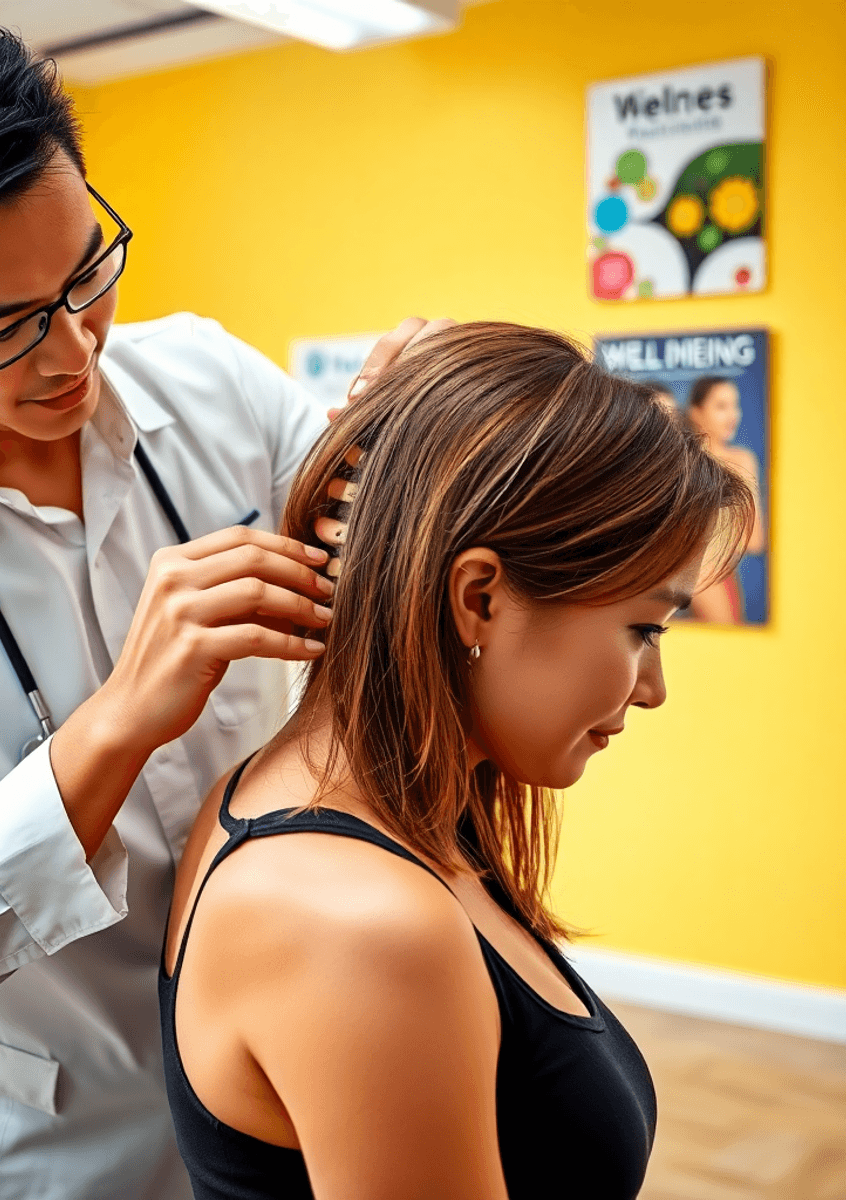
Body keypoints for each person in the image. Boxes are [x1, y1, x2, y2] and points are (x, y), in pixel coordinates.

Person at [0, 15, 444, 1199]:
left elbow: (387, 557)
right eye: (1, 328)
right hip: (34, 1157)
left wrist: (424, 434)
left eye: (87, 274)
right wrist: (117, 722)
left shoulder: (209, 380)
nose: (74, 354)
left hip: (288, 1103)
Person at [162, 323, 754, 1200]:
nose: (652, 688)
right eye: (644, 630)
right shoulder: (358, 924)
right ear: (478, 598)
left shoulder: (320, 805)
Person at [685, 374, 766, 624]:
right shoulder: (682, 461)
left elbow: (755, 540)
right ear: (696, 413)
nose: (733, 415)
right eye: (721, 406)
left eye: (735, 405)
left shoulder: (741, 460)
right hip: (699, 572)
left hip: (718, 575)